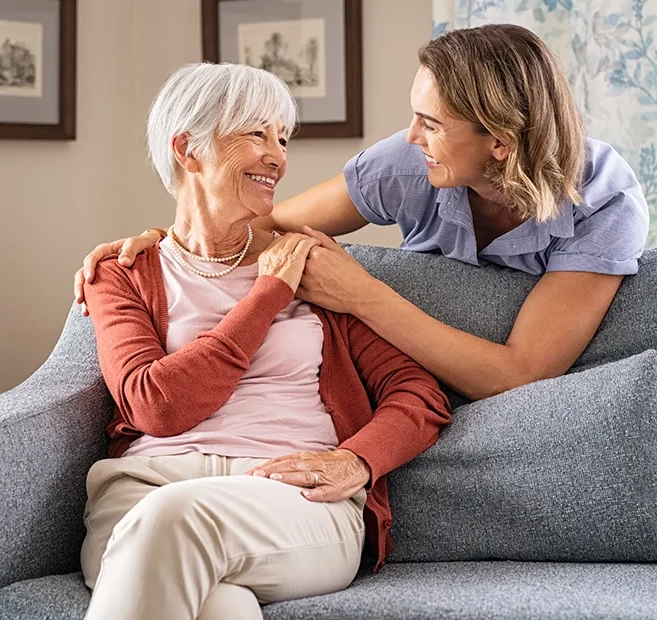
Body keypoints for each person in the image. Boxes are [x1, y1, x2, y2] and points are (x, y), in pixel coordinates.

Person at [77, 24, 648, 420]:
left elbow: (523, 374)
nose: (410, 137)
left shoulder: (604, 199)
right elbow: (265, 226)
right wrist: (165, 242)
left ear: (499, 142)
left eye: (431, 123)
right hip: (406, 383)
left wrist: (363, 296)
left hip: (510, 404)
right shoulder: (408, 163)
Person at [80, 62, 451, 620]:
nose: (278, 156)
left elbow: (418, 394)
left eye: (282, 138)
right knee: (221, 607)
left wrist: (356, 460)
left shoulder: (314, 265)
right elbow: (156, 406)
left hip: (289, 496)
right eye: (256, 133)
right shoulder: (125, 271)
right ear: (188, 148)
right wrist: (267, 296)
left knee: (174, 521)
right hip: (145, 488)